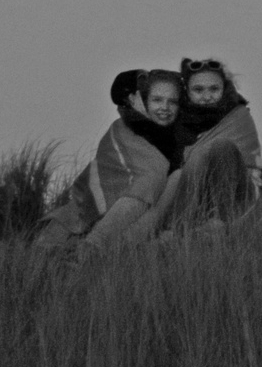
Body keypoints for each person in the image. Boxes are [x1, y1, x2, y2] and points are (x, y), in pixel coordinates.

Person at [113, 57, 262, 242]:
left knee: (219, 147)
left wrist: (256, 166)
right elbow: (152, 142)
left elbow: (253, 157)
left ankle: (214, 222)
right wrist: (139, 112)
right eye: (198, 90)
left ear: (224, 88)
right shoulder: (177, 117)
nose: (206, 96)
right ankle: (170, 231)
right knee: (172, 175)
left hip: (233, 193)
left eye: (214, 89)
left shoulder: (237, 116)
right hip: (184, 196)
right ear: (187, 91)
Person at [33, 69, 185, 249]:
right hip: (77, 221)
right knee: (152, 177)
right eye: (156, 99)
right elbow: (149, 171)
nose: (165, 107)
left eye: (172, 102)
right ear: (138, 100)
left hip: (135, 228)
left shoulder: (178, 136)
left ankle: (111, 247)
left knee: (175, 179)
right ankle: (93, 245)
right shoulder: (124, 129)